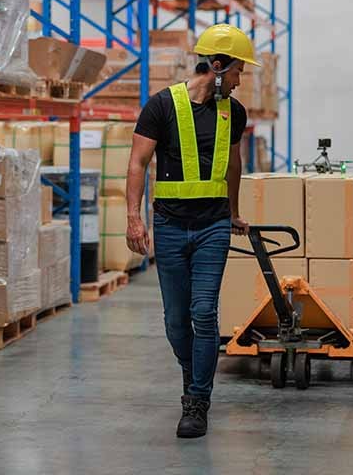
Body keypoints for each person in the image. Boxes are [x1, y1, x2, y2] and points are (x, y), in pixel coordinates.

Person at [125, 23, 258, 439]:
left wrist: (234, 211)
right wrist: (134, 217)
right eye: (237, 71)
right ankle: (193, 371)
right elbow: (137, 164)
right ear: (217, 67)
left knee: (204, 311)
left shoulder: (233, 112)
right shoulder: (161, 107)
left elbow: (234, 164)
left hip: (212, 227)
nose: (239, 81)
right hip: (168, 225)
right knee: (175, 320)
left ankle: (196, 401)